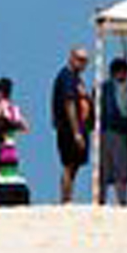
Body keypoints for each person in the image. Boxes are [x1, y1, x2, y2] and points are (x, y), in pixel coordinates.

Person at [51, 47, 94, 204]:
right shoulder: (67, 77)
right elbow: (69, 103)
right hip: (69, 128)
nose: (83, 64)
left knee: (75, 165)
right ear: (71, 58)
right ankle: (65, 199)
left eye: (85, 61)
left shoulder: (77, 79)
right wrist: (76, 132)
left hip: (80, 127)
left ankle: (68, 196)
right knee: (69, 164)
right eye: (80, 59)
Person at [98, 58, 127, 205]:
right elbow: (123, 111)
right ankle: (121, 202)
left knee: (105, 170)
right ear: (118, 72)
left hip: (105, 132)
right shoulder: (119, 88)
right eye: (125, 71)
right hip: (117, 131)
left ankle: (102, 202)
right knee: (119, 170)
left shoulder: (102, 88)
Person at [0, 78, 29, 178]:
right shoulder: (14, 108)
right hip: (10, 143)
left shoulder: (0, 107)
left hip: (0, 143)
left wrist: (3, 123)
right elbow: (25, 127)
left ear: (0, 93)